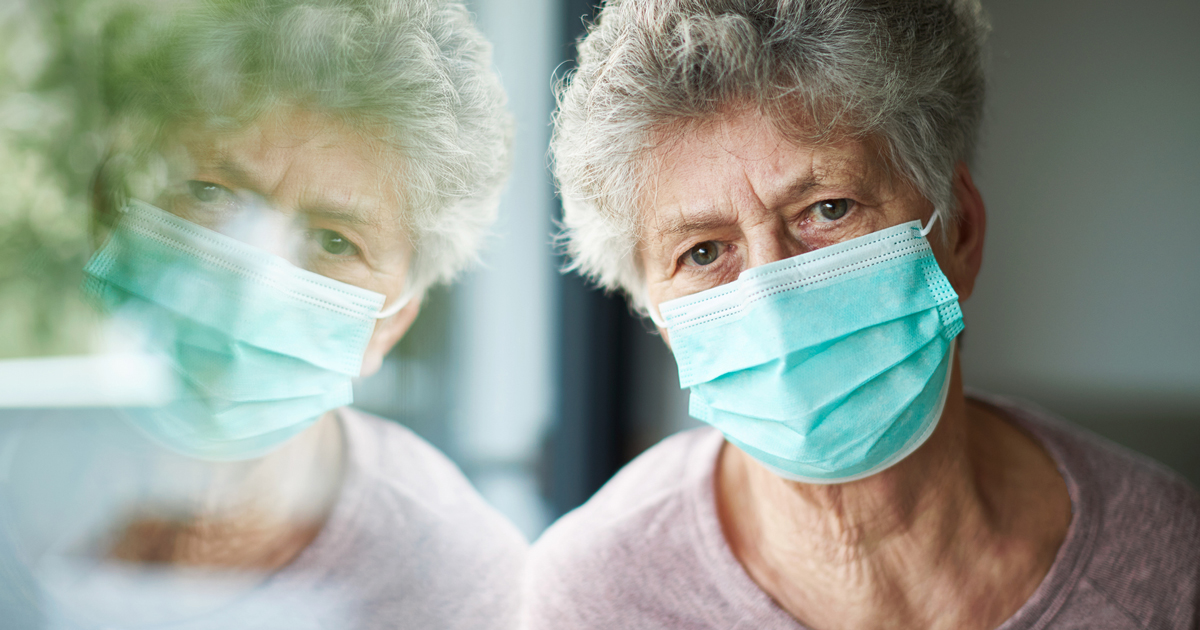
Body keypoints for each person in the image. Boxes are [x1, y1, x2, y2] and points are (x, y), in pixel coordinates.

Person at [526, 0, 1200, 628]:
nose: (773, 296)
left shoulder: (1167, 560)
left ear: (959, 229)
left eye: (828, 209)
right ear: (655, 315)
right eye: (703, 251)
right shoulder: (593, 598)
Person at [0, 0, 523, 628]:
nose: (250, 288)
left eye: (335, 242)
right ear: (111, 208)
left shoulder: (458, 584)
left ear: (390, 325)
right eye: (210, 193)